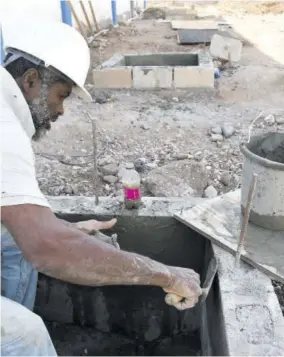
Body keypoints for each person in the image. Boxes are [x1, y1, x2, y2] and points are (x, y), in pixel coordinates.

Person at [0, 21, 201, 356]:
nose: (61, 110)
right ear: (32, 79)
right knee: (25, 335)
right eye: (61, 94)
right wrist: (166, 276)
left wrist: (66, 230)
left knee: (19, 249)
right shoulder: (4, 128)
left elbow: (20, 225)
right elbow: (48, 249)